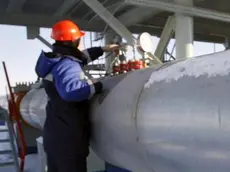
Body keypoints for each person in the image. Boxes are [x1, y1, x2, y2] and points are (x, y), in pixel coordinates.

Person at [35, 20, 119, 172]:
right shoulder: (67, 64)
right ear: (74, 41)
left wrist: (103, 49)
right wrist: (96, 85)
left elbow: (81, 57)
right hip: (68, 141)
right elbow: (71, 92)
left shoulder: (57, 59)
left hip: (56, 135)